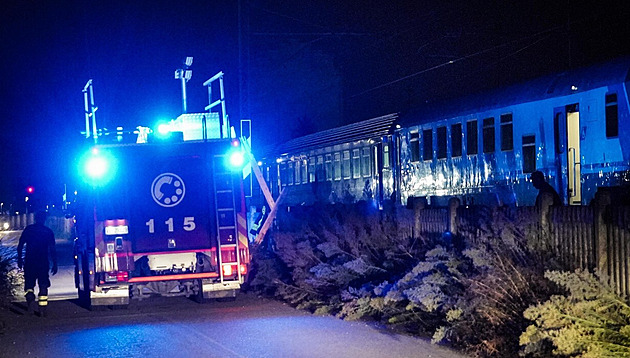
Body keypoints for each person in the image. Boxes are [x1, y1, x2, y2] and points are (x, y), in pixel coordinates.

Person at [17, 211, 57, 316]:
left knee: (29, 286)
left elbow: (20, 245)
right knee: (43, 285)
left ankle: (30, 305)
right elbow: (52, 249)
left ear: (35, 218)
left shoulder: (29, 230)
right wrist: (55, 263)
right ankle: (42, 310)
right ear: (44, 219)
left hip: (30, 262)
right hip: (43, 263)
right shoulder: (48, 231)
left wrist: (19, 259)